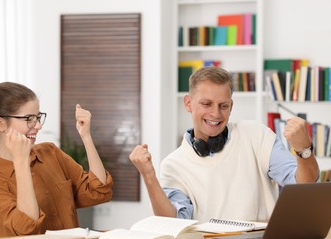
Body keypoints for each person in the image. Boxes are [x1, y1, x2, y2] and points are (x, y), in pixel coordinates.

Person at [129, 66, 319, 223]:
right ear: (188, 103)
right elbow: (173, 221)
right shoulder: (174, 164)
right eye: (206, 104)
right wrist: (149, 177)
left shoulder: (256, 134)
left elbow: (304, 184)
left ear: (231, 106)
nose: (216, 114)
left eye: (223, 105)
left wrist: (304, 149)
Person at [0, 82, 113, 237]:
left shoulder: (50, 153)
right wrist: (21, 162)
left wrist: (86, 136)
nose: (38, 126)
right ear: (0, 124)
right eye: (29, 119)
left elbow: (98, 191)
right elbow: (26, 231)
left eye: (38, 117)